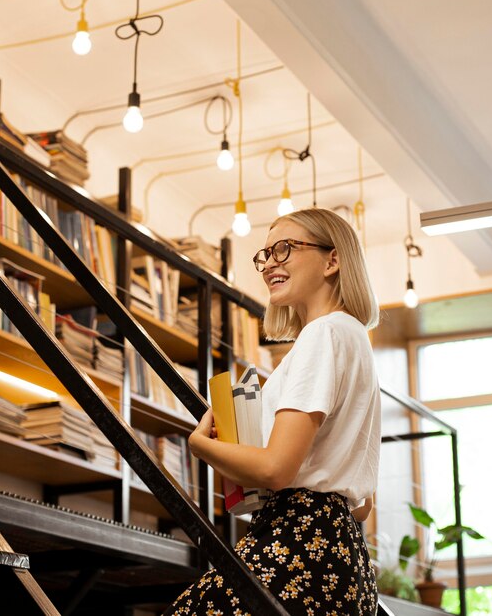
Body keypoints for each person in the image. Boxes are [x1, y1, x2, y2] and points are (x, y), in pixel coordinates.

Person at [163, 208, 381, 615]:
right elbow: (363, 503)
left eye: (285, 249)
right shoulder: (355, 338)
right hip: (342, 552)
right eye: (265, 255)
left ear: (333, 260)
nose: (270, 264)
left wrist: (200, 446)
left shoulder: (323, 334)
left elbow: (275, 469)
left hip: (298, 543)